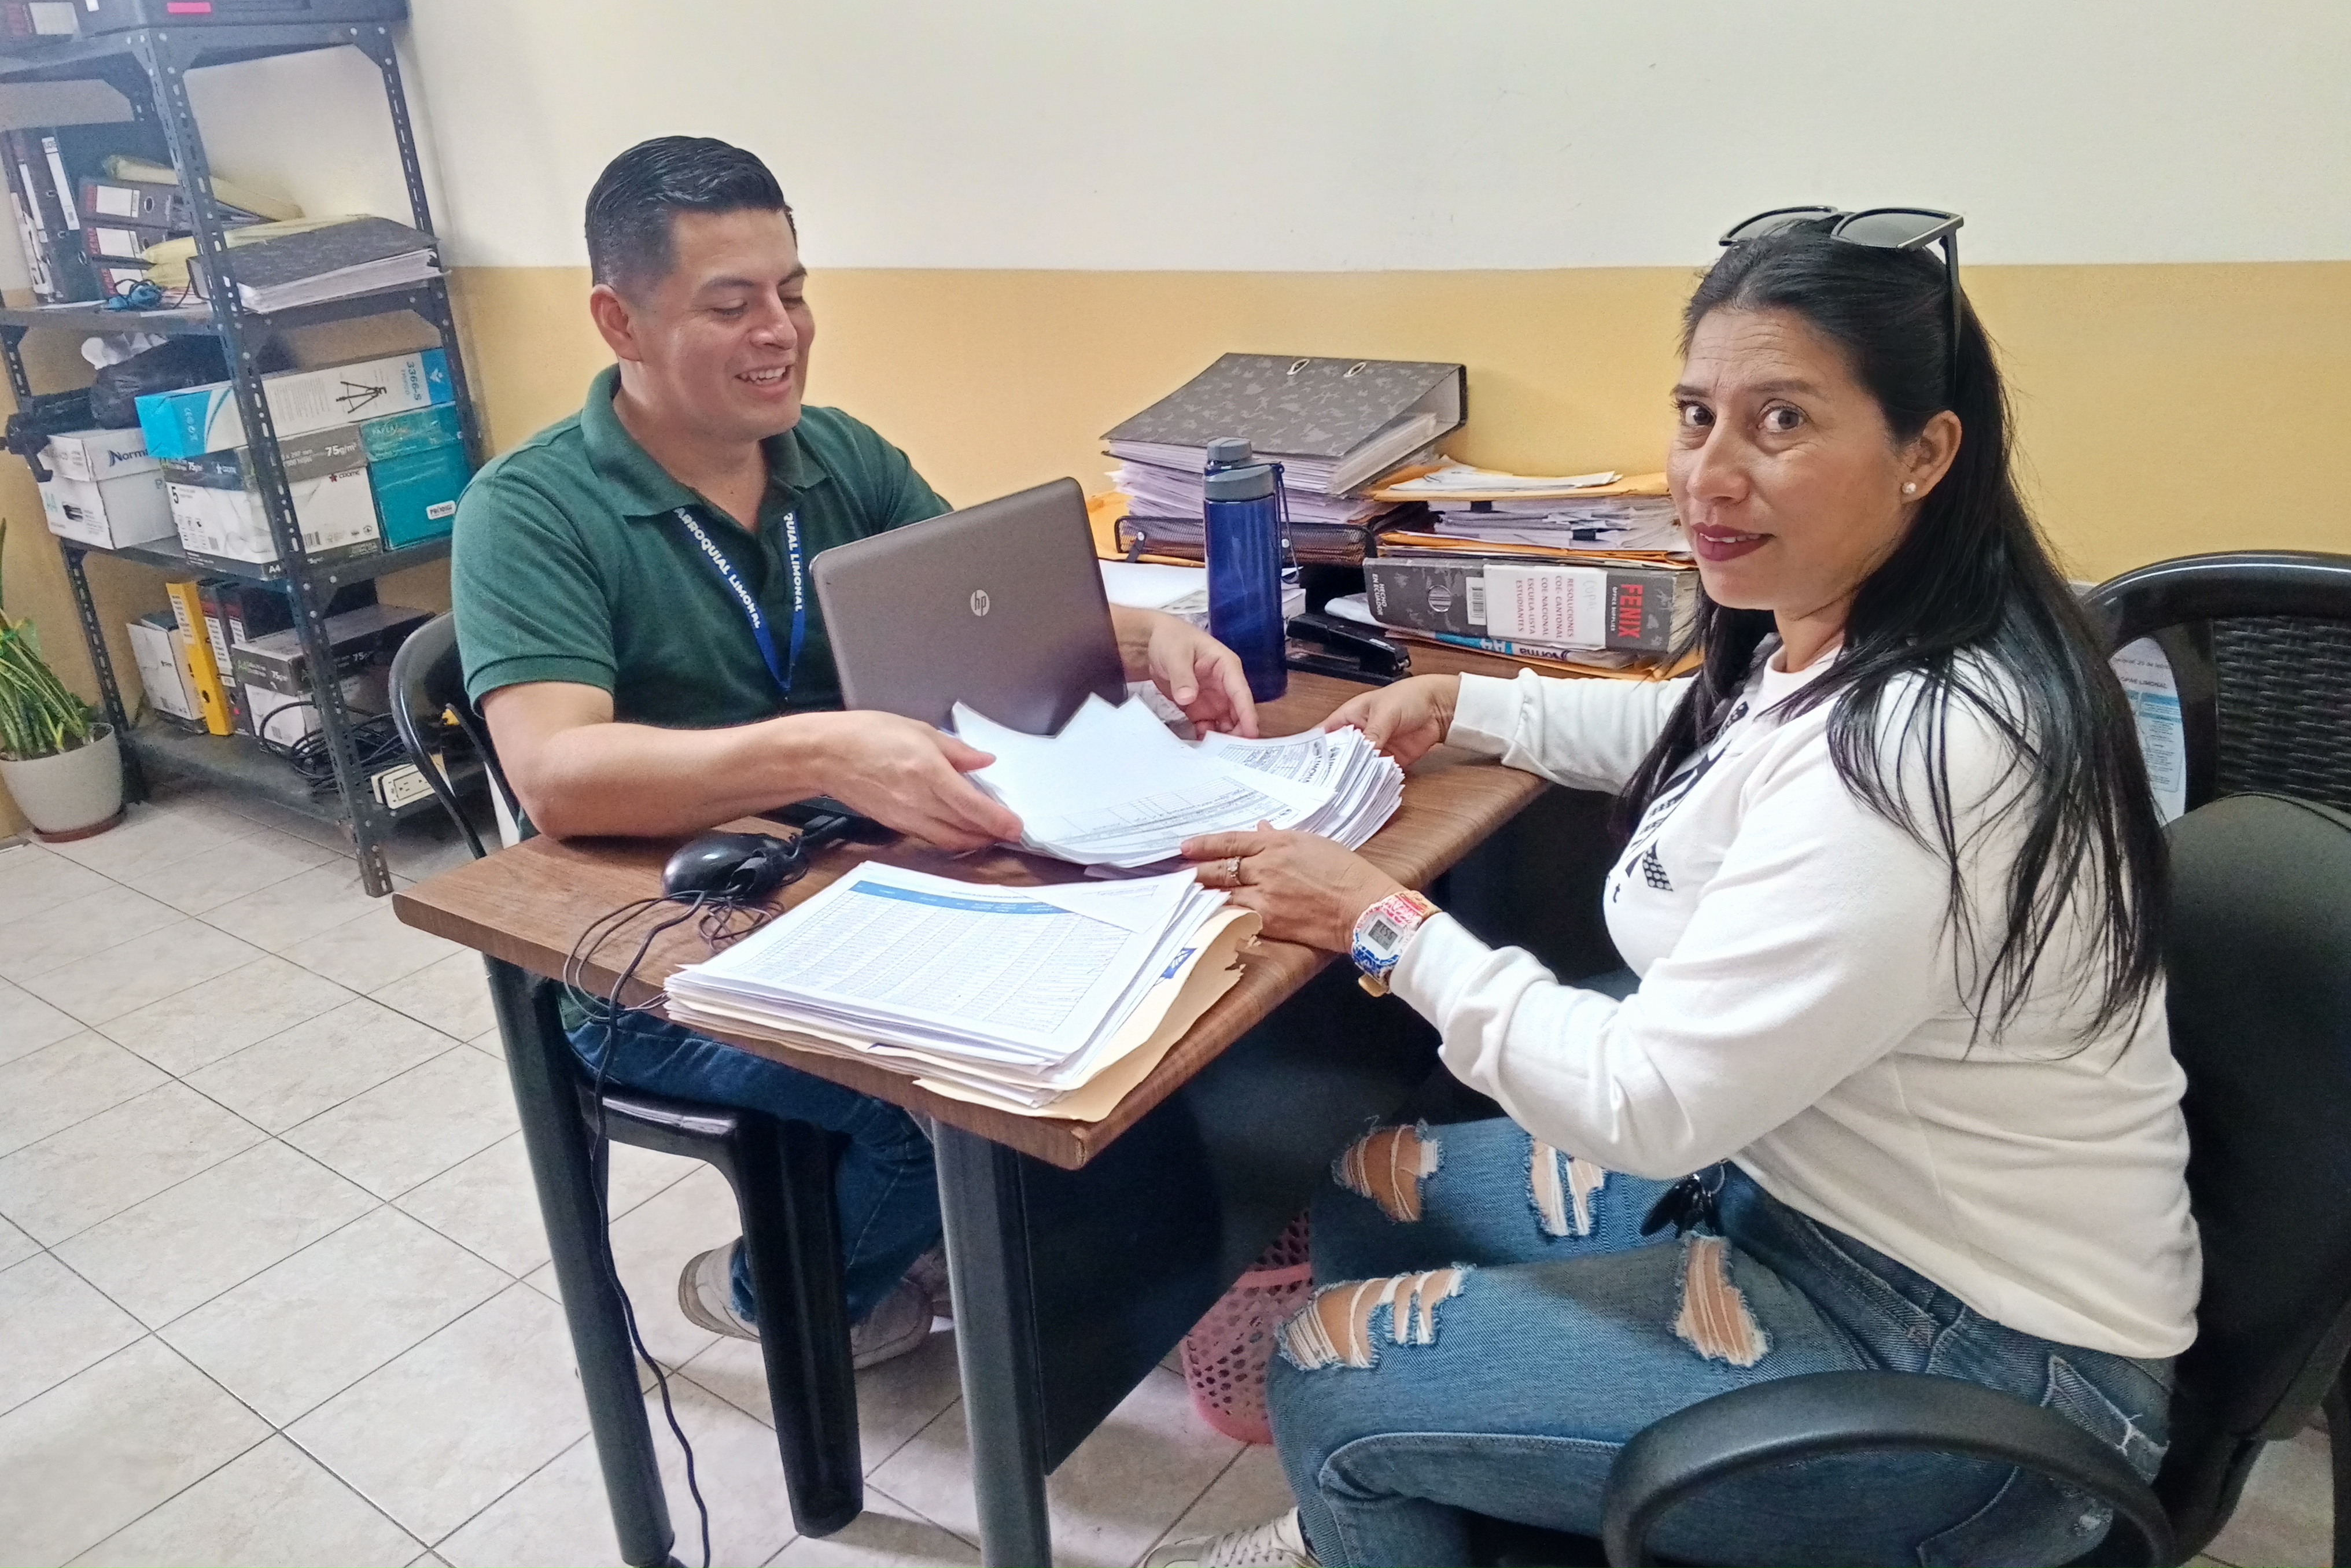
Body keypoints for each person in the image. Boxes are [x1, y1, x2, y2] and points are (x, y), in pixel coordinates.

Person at [1150, 209, 2195, 1568]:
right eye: (1697, 415)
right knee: (1368, 1183)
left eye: (1781, 422)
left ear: (1925, 452)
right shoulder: (1861, 638)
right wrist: (1468, 704)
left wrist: (1378, 923)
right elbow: (1718, 741)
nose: (1709, 472)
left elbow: (1645, 1106)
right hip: (1806, 1201)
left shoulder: (1926, 751)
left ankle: (1368, 1467)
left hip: (1972, 1364)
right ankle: (1400, 1503)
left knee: (1326, 1375)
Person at [452, 135, 1257, 1368]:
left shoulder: (836, 454)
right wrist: (819, 754)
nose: (780, 331)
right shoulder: (530, 511)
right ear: (620, 320)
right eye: (730, 304)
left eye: (792, 290)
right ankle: (780, 1299)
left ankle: (1004, 1259)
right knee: (932, 1110)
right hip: (662, 960)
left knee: (1157, 995)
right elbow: (556, 776)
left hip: (863, 882)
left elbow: (986, 606)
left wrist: (1154, 639)